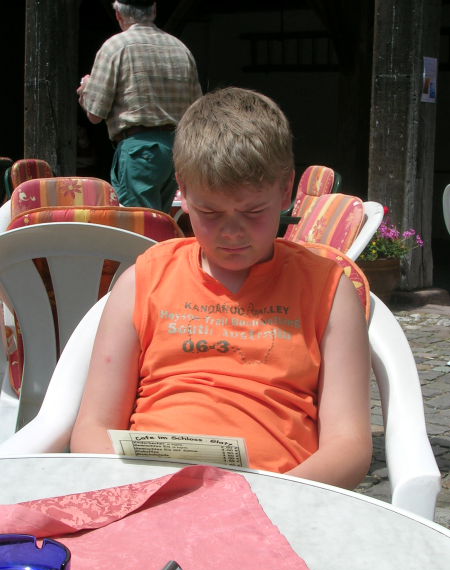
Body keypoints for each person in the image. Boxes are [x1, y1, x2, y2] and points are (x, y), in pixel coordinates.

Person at [70, 87, 372, 490]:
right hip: (148, 487)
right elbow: (93, 427)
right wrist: (129, 488)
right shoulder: (145, 280)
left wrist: (270, 496)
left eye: (253, 211)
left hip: (277, 494)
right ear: (182, 190)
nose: (231, 232)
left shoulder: (327, 291)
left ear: (286, 189)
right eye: (210, 212)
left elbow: (349, 445)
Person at [77, 0, 202, 213]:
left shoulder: (115, 47)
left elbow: (95, 114)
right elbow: (197, 110)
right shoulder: (180, 48)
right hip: (177, 150)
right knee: (161, 219)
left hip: (140, 150)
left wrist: (86, 88)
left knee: (138, 223)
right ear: (154, 10)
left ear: (119, 14)